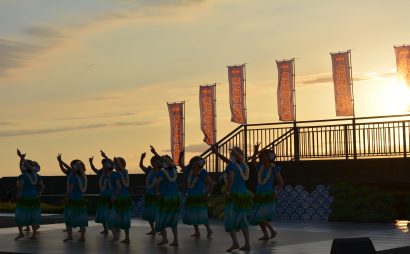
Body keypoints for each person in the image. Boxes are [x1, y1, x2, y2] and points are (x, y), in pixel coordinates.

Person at [211, 145, 251, 252]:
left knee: (229, 219)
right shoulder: (243, 166)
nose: (230, 155)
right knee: (242, 219)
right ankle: (247, 244)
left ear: (233, 155)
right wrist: (217, 154)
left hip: (233, 195)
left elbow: (231, 179)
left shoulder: (232, 166)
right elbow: (228, 161)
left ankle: (235, 243)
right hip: (243, 194)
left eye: (231, 153)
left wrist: (227, 191)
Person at [249, 145, 284, 240]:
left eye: (263, 156)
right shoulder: (260, 167)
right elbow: (252, 162)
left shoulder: (274, 169)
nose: (261, 158)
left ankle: (272, 231)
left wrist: (276, 191)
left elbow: (281, 183)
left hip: (268, 194)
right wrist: (255, 152)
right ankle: (266, 235)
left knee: (260, 216)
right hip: (259, 194)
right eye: (261, 156)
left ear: (269, 157)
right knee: (258, 216)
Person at [179, 150, 214, 238]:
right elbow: (181, 165)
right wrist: (180, 157)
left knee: (201, 214)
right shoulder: (189, 170)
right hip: (191, 195)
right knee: (193, 214)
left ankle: (209, 230)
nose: (192, 163)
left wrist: (208, 194)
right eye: (192, 162)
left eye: (194, 162)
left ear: (199, 163)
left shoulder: (203, 172)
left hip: (199, 196)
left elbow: (211, 184)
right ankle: (197, 232)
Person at [150, 146, 180, 246]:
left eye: (163, 161)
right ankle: (175, 240)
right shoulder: (174, 169)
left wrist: (156, 154)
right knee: (173, 220)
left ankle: (165, 238)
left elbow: (157, 183)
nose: (162, 162)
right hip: (174, 197)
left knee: (160, 218)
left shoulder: (162, 172)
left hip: (165, 198)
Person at [57, 155, 88, 242]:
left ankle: (70, 236)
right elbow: (64, 168)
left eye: (73, 166)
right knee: (81, 218)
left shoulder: (74, 177)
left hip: (72, 199)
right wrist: (60, 161)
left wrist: (66, 197)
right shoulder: (82, 176)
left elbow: (70, 189)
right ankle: (82, 237)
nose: (72, 167)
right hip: (80, 199)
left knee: (68, 218)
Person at [14, 149, 42, 240]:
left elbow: (20, 187)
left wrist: (21, 157)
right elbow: (40, 186)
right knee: (33, 215)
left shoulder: (22, 176)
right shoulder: (35, 175)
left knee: (20, 215)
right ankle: (33, 234)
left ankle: (21, 233)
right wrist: (21, 158)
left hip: (24, 197)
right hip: (34, 197)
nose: (21, 167)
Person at [108, 156, 132, 244]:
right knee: (125, 218)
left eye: (115, 164)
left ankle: (115, 236)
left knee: (111, 218)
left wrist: (114, 197)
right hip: (126, 198)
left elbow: (118, 187)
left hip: (120, 198)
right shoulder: (125, 172)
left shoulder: (116, 174)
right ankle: (127, 238)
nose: (113, 165)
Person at [90, 151, 114, 235]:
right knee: (103, 213)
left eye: (105, 164)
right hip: (103, 195)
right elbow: (94, 169)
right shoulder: (101, 173)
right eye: (103, 164)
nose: (104, 165)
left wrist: (105, 156)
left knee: (111, 213)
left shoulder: (112, 174)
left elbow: (112, 163)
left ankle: (115, 228)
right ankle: (106, 229)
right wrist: (91, 162)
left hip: (110, 196)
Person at [139, 152, 161, 235]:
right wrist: (142, 159)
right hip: (149, 195)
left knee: (157, 214)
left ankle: (162, 229)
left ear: (159, 163)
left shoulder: (161, 172)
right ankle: (153, 230)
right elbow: (141, 166)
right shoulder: (149, 171)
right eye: (152, 162)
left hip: (157, 196)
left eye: (155, 161)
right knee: (149, 214)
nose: (153, 163)